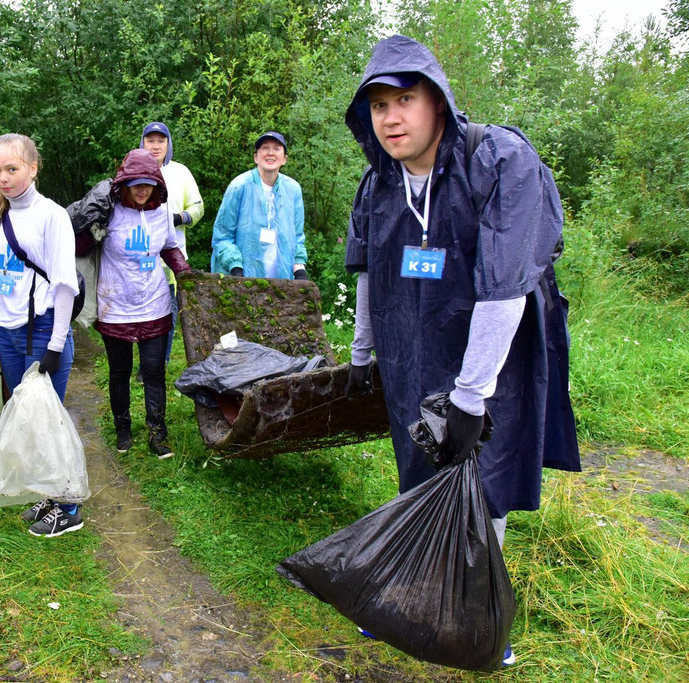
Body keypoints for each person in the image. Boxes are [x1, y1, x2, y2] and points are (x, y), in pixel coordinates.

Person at [342, 34, 580, 665]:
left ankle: (480, 621)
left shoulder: (498, 162)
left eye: (405, 99)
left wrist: (472, 395)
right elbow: (366, 269)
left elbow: (504, 288)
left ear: (438, 102)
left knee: (484, 476)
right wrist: (364, 352)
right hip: (409, 347)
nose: (390, 117)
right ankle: (416, 597)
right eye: (377, 105)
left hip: (490, 352)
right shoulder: (379, 184)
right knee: (419, 467)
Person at [0, 133, 84, 538]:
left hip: (41, 334)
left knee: (48, 419)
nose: (3, 178)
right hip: (7, 334)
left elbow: (64, 287)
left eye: (12, 169)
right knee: (23, 416)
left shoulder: (52, 217)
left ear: (33, 168)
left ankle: (69, 507)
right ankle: (46, 493)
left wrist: (56, 345)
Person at [88, 148, 191, 457]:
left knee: (154, 370)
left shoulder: (162, 211)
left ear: (157, 183)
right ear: (125, 182)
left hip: (154, 303)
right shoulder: (110, 210)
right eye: (136, 183)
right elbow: (82, 242)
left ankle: (158, 434)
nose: (143, 189)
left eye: (148, 183)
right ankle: (123, 429)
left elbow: (170, 248)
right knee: (119, 372)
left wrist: (186, 275)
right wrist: (88, 224)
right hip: (115, 306)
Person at [139, 122, 204, 364]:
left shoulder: (181, 172)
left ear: (168, 144)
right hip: (139, 257)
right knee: (142, 311)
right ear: (142, 142)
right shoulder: (132, 170)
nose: (155, 146)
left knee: (168, 311)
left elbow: (198, 206)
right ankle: (145, 361)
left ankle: (160, 363)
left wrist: (180, 218)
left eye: (161, 141)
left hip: (172, 258)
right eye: (150, 140)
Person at [210, 131, 307, 280]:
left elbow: (297, 236)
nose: (270, 153)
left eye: (276, 148)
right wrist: (236, 268)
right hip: (240, 277)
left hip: (281, 279)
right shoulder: (239, 186)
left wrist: (299, 268)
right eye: (265, 148)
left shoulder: (293, 189)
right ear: (256, 157)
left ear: (285, 159)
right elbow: (223, 235)